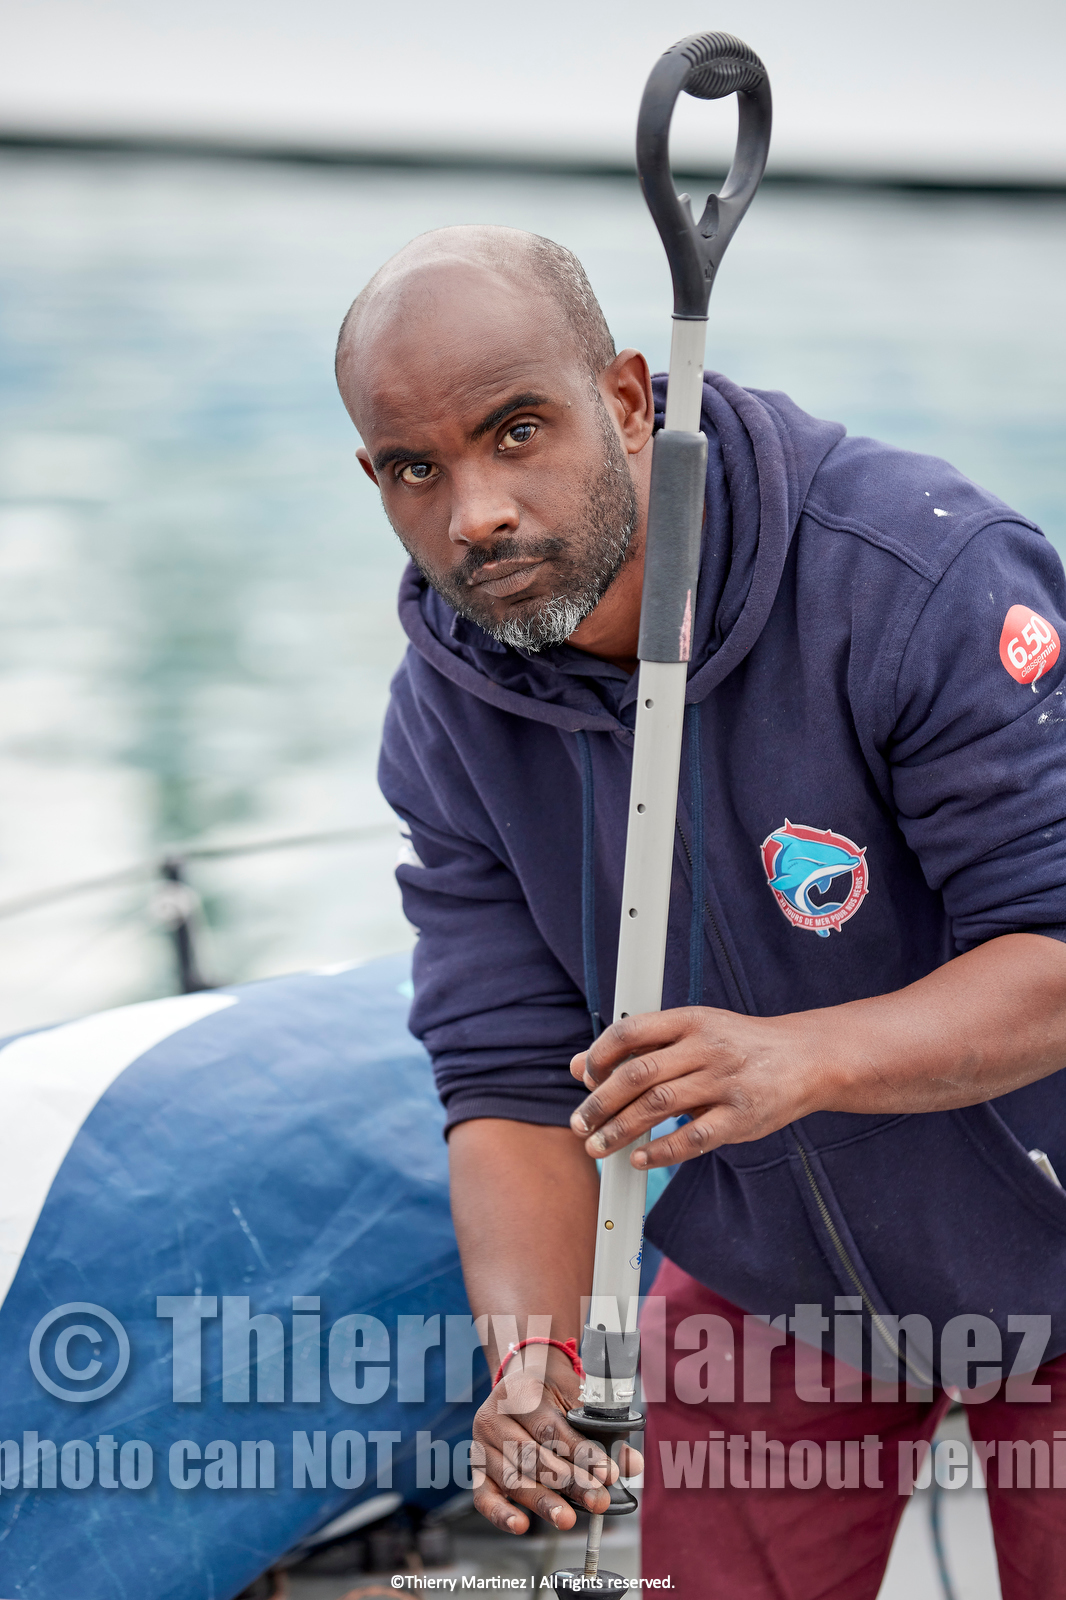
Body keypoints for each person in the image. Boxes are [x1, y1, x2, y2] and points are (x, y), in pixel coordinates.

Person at [335, 224, 1066, 1596]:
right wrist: (536, 1363)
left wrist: (802, 1055)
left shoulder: (911, 576)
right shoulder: (444, 713)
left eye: (516, 431)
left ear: (625, 398)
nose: (474, 511)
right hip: (775, 1274)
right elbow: (505, 1081)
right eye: (416, 469)